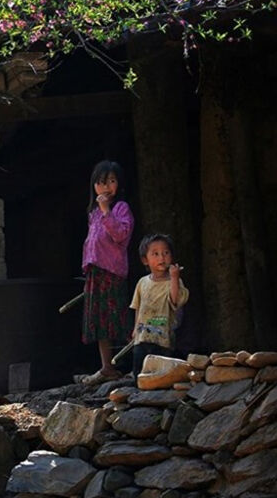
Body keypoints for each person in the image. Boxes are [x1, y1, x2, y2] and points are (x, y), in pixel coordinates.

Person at [80, 160, 135, 385]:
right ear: (94, 186)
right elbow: (90, 243)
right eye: (101, 182)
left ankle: (134, 364)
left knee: (118, 318)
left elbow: (121, 235)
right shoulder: (92, 213)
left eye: (111, 181)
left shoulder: (121, 209)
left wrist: (106, 212)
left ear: (118, 184)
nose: (105, 187)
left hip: (112, 272)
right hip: (96, 273)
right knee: (99, 321)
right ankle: (107, 367)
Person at [130, 233, 189, 377]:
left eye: (166, 253)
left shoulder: (174, 282)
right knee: (139, 371)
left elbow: (175, 301)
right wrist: (135, 329)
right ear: (145, 260)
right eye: (155, 254)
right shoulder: (142, 283)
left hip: (163, 338)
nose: (162, 258)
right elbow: (138, 306)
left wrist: (175, 278)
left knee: (161, 374)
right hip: (142, 336)